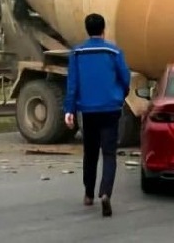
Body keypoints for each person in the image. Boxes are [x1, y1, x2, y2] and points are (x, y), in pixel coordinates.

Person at [63, 13, 131, 217]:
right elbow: (125, 77)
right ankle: (106, 193)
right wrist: (120, 95)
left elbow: (72, 84)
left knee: (90, 153)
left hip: (88, 110)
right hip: (110, 109)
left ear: (87, 29)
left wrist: (69, 110)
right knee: (109, 153)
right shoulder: (113, 51)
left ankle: (88, 194)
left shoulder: (77, 53)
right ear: (104, 29)